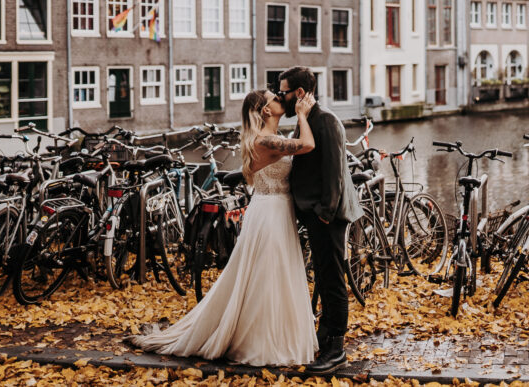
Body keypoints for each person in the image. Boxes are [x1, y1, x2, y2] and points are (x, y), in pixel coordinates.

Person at [128, 88, 320, 367]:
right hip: (270, 214)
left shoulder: (272, 138)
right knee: (267, 278)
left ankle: (281, 336)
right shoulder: (265, 140)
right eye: (275, 98)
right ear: (265, 110)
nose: (281, 98)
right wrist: (303, 114)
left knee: (278, 274)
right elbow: (308, 145)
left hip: (278, 211)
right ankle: (261, 342)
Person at [277, 66, 363, 375]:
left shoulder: (325, 121)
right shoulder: (309, 120)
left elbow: (334, 172)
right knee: (325, 276)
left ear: (298, 93)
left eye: (282, 91)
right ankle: (326, 334)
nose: (280, 97)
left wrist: (325, 213)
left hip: (328, 215)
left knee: (332, 278)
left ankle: (337, 348)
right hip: (315, 212)